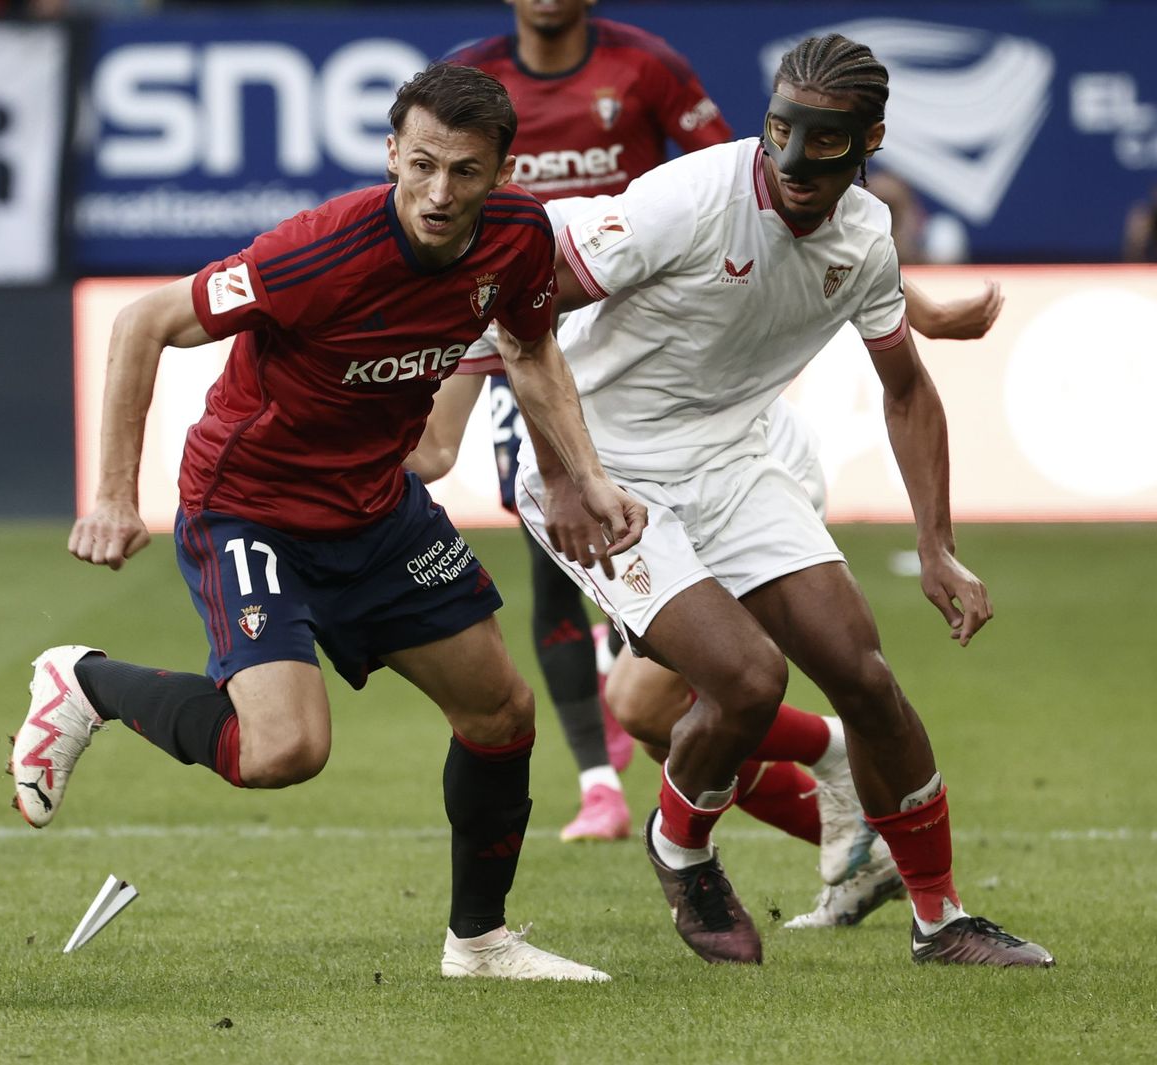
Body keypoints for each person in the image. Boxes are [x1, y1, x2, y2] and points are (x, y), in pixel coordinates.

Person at [9, 62, 646, 982]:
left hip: (378, 509)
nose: (439, 192)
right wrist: (113, 495)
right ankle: (87, 683)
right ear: (391, 152)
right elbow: (143, 321)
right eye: (421, 163)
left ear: (504, 173)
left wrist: (581, 477)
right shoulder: (314, 255)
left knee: (501, 711)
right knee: (285, 750)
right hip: (252, 509)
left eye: (465, 171)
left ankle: (480, 943)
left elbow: (533, 346)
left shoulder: (517, 239)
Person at [511, 33, 1053, 966]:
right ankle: (681, 846)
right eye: (780, 133)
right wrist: (562, 473)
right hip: (606, 472)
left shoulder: (865, 238)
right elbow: (518, 296)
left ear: (870, 140)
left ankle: (942, 919)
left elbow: (908, 389)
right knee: (747, 680)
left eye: (826, 143)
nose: (795, 164)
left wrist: (937, 547)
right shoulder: (685, 201)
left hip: (735, 460)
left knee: (866, 675)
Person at [413, 264, 1001, 926]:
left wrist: (917, 309)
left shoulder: (598, 216)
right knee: (648, 709)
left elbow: (811, 223)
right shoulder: (472, 274)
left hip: (736, 465)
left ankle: (845, 782)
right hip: (629, 484)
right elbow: (433, 451)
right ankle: (854, 808)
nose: (443, 192)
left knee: (675, 695)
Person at [440, 0, 732, 842]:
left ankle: (647, 680)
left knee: (644, 547)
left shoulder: (646, 67)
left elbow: (732, 180)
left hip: (637, 356)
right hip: (515, 342)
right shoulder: (473, 76)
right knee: (551, 554)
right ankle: (598, 783)